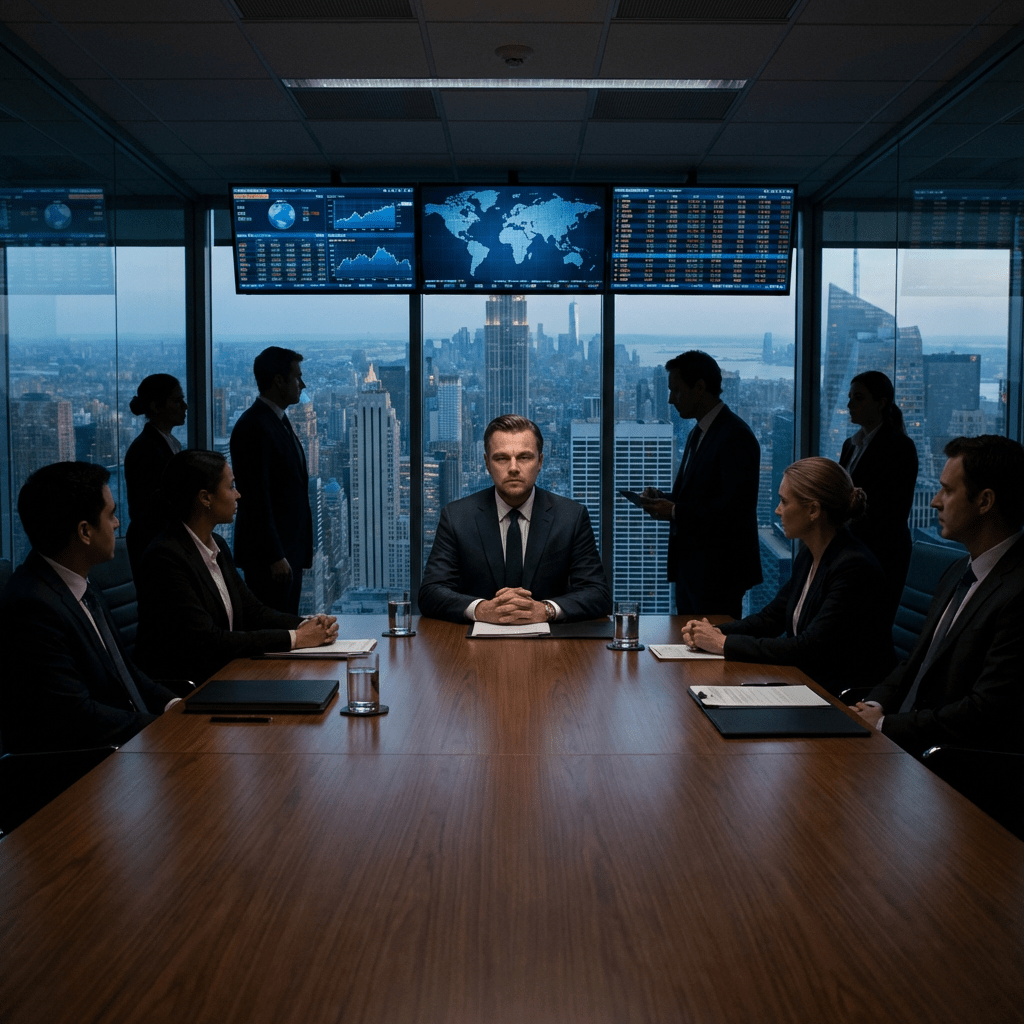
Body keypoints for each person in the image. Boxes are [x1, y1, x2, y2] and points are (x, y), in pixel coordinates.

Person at [852, 435, 1024, 756]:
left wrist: (884, 725)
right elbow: (917, 662)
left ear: (984, 501)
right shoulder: (958, 570)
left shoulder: (1018, 593)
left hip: (946, 764)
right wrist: (872, 706)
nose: (934, 501)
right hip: (899, 742)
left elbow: (984, 711)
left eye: (947, 490)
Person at [0, 462, 177, 753]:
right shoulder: (32, 607)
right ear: (85, 531)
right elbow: (77, 716)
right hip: (85, 769)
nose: (118, 523)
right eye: (111, 515)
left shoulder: (81, 581)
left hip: (129, 744)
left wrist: (174, 706)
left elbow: (123, 669)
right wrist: (163, 728)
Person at [681, 458, 896, 696]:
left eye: (784, 501)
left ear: (813, 510)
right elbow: (771, 619)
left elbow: (807, 649)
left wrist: (722, 643)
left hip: (839, 698)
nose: (777, 510)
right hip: (806, 685)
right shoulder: (810, 555)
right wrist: (713, 631)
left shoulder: (853, 567)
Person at [135, 450, 337, 685]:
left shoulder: (217, 545)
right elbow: (210, 641)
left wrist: (305, 624)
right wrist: (296, 638)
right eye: (231, 486)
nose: (238, 494)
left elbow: (252, 611)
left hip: (227, 676)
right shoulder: (166, 558)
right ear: (205, 498)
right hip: (191, 690)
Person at [419, 415, 611, 624]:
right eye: (501, 458)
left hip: (551, 647)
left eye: (524, 457)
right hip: (472, 647)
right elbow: (430, 592)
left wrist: (545, 610)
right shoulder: (456, 517)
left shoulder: (571, 517)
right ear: (487, 463)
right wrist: (481, 609)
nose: (513, 468)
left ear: (540, 462)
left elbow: (598, 594)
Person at [641, 350, 762, 617]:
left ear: (699, 387)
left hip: (719, 572)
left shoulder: (735, 437)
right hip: (693, 568)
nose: (671, 399)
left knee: (710, 651)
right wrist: (665, 498)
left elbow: (733, 511)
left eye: (676, 390)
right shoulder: (699, 432)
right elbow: (701, 497)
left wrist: (672, 510)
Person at [229, 346, 313, 615]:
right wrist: (275, 555)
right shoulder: (254, 426)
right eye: (297, 377)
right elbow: (255, 498)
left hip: (288, 552)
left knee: (286, 625)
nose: (302, 384)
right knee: (274, 630)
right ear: (278, 380)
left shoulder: (276, 420)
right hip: (271, 559)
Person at [839, 370, 918, 621]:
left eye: (859, 398)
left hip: (882, 555)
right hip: (852, 550)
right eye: (850, 397)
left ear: (881, 403)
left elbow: (892, 512)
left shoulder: (900, 447)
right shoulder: (850, 444)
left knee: (870, 625)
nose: (850, 404)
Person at [124, 373, 188, 578]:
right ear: (156, 406)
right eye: (177, 401)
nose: (184, 407)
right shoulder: (146, 450)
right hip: (158, 551)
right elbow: (153, 509)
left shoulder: (161, 443)